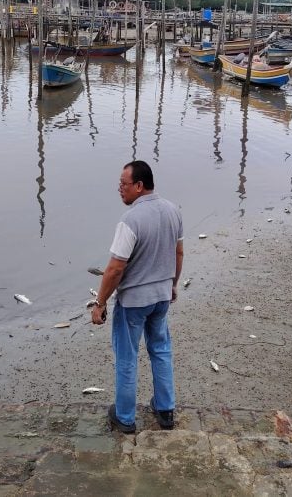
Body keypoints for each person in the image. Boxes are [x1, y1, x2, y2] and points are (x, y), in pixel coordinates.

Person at [91, 160, 184, 434]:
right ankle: (165, 409)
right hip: (161, 296)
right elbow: (178, 253)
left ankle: (125, 417)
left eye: (124, 184)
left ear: (139, 186)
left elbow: (116, 268)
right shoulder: (172, 211)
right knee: (161, 349)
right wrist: (173, 284)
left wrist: (100, 303)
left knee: (127, 357)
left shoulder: (130, 220)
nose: (120, 189)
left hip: (133, 302)